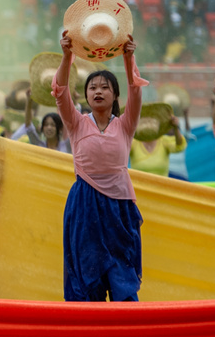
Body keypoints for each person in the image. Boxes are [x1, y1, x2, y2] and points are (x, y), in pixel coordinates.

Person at [55, 31, 147, 302]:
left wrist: (129, 58)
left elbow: (136, 90)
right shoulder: (77, 122)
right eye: (93, 87)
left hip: (119, 208)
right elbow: (60, 93)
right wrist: (67, 56)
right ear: (85, 95)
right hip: (85, 204)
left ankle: (126, 334)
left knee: (121, 271)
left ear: (115, 95)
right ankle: (89, 334)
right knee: (87, 273)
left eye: (105, 87)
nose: (98, 91)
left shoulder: (125, 124)